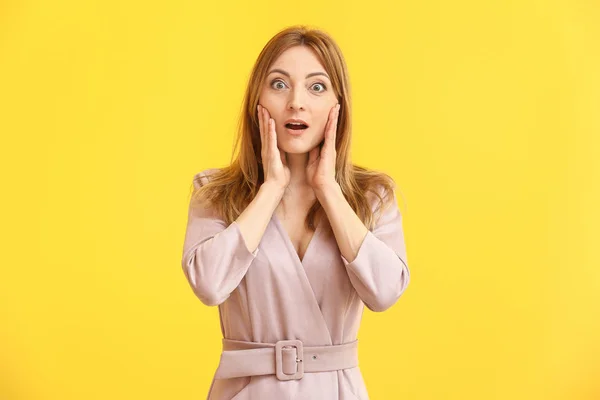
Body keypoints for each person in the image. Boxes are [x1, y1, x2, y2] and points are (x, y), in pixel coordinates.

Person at [181, 25, 410, 400]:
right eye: (279, 84)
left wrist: (329, 190)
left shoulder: (372, 196)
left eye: (316, 87)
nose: (296, 103)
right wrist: (271, 188)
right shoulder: (215, 192)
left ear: (338, 105)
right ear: (258, 98)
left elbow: (385, 292)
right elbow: (208, 284)